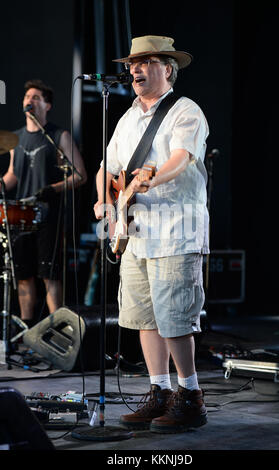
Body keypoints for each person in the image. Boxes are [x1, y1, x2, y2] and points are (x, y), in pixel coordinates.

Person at [94, 35, 209, 434]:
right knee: (145, 317)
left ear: (168, 69)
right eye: (132, 64)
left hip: (177, 230)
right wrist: (103, 203)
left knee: (175, 318)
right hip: (135, 233)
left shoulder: (184, 111)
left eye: (145, 62)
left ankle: (190, 396)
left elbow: (181, 157)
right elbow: (105, 169)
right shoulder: (125, 117)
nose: (135, 70)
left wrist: (153, 176)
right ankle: (159, 393)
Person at [2, 79, 87, 328]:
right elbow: (12, 175)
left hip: (49, 215)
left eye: (37, 97)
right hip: (22, 215)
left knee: (49, 275)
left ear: (47, 105)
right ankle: (27, 333)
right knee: (24, 276)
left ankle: (57, 331)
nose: (30, 100)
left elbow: (80, 174)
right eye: (27, 96)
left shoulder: (59, 136)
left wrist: (53, 189)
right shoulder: (15, 139)